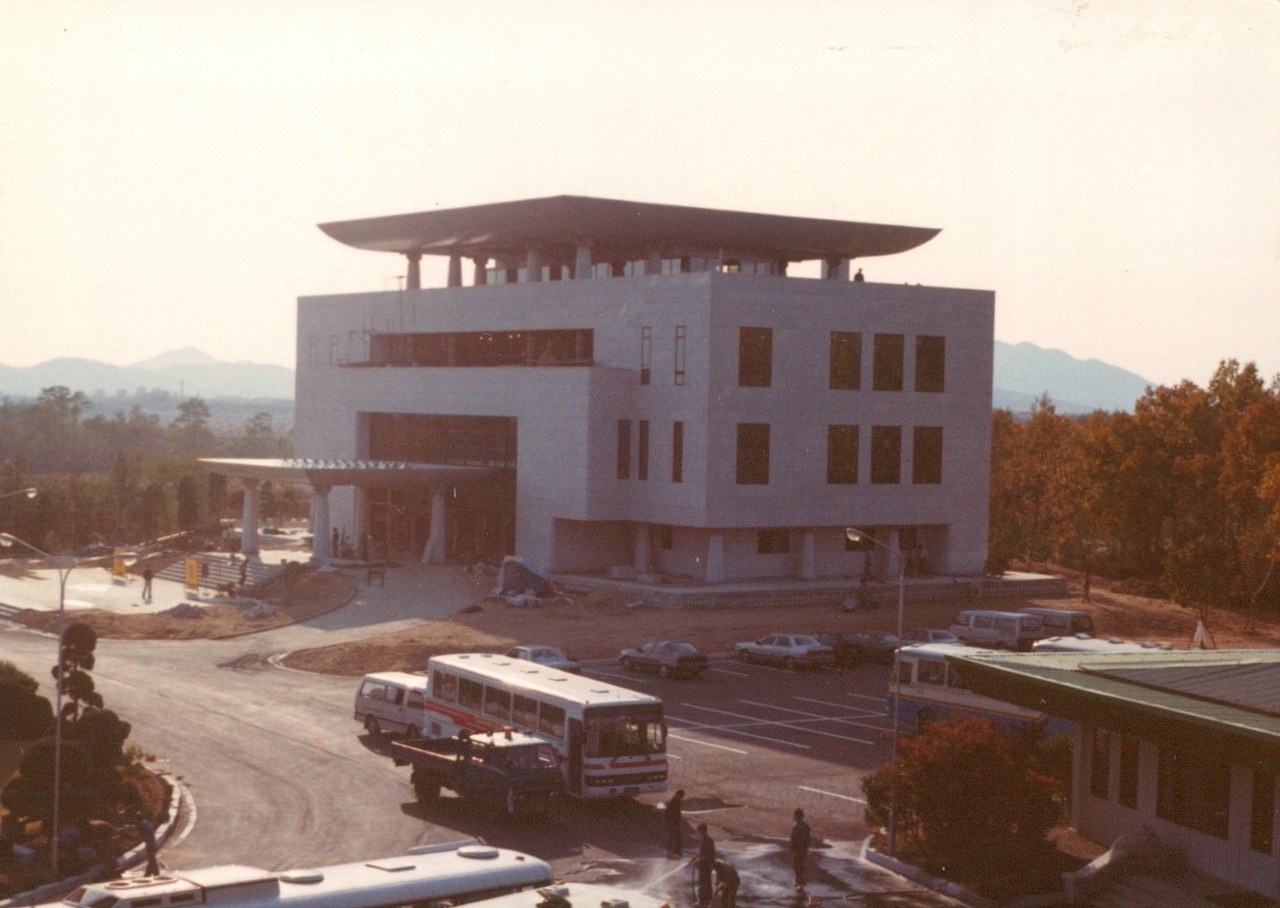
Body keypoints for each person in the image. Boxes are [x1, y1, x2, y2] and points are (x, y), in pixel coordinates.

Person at [693, 822, 715, 908]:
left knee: (703, 884)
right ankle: (708, 901)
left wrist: (698, 860)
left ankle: (702, 902)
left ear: (702, 831)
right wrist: (697, 856)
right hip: (707, 865)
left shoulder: (706, 840)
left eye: (698, 831)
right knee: (707, 884)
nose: (698, 833)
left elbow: (706, 855)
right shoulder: (707, 839)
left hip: (705, 866)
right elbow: (703, 853)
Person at [789, 808, 811, 893]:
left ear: (796, 816)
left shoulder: (796, 827)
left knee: (796, 866)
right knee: (801, 866)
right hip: (804, 849)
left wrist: (792, 848)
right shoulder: (806, 826)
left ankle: (799, 883)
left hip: (797, 849)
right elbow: (808, 838)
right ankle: (800, 881)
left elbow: (793, 839)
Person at [664, 788, 685, 858]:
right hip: (673, 822)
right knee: (674, 837)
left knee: (674, 837)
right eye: (682, 796)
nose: (682, 798)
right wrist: (671, 821)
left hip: (674, 822)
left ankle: (674, 852)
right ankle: (673, 852)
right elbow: (668, 813)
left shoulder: (675, 801)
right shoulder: (674, 802)